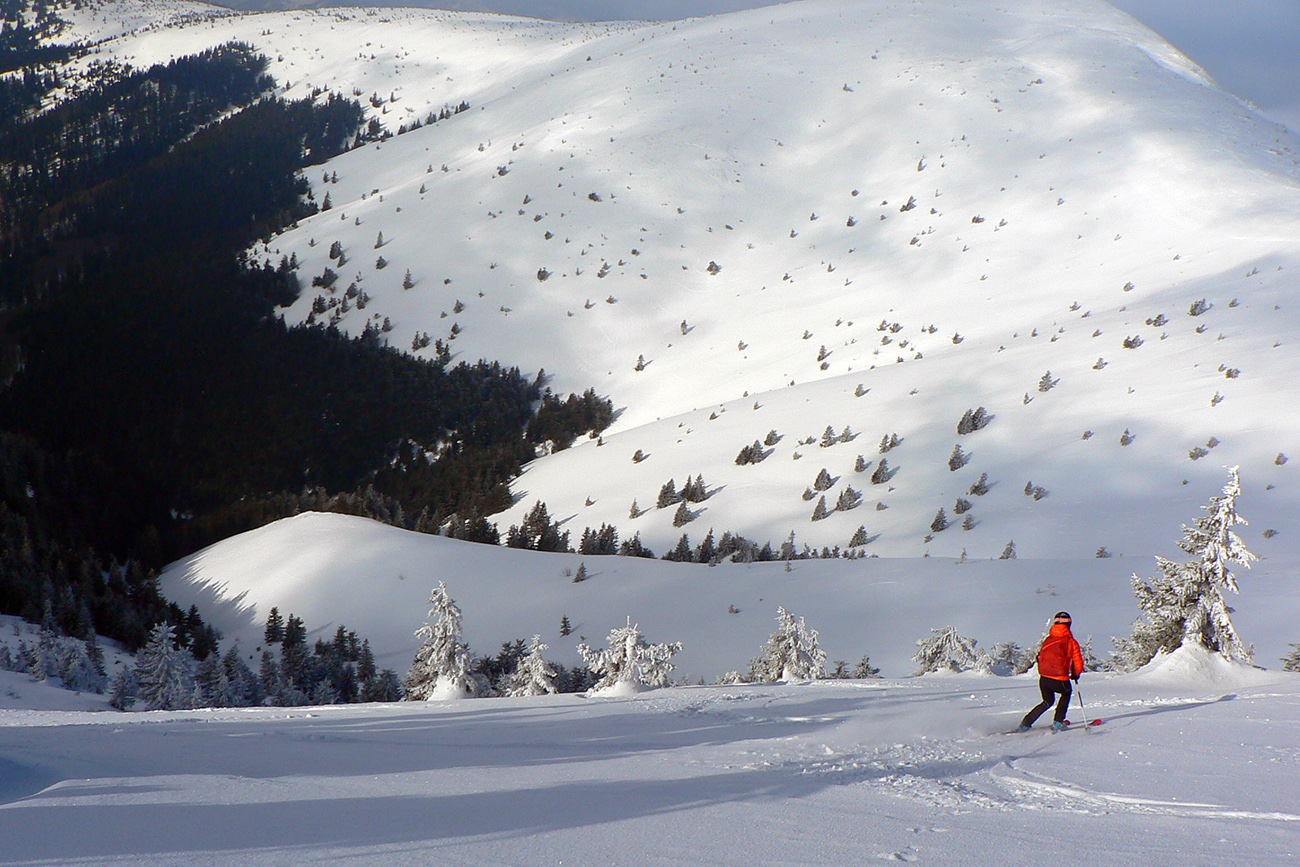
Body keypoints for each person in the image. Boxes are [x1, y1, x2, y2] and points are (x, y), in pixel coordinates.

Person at [1018, 611, 1084, 732]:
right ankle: (1058, 722)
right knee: (1066, 693)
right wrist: (1076, 674)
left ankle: (1026, 723)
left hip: (1044, 678)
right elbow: (1078, 662)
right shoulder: (1071, 642)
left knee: (1047, 701)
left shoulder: (1049, 639)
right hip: (1059, 678)